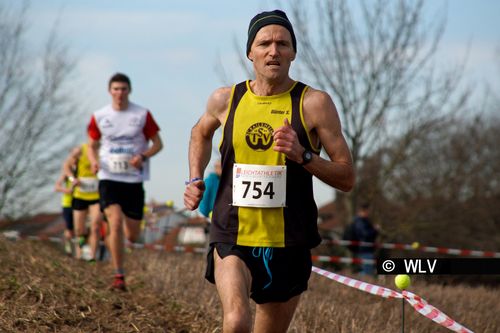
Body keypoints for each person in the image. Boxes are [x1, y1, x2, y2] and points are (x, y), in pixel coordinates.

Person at [184, 10, 354, 333]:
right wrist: (195, 178)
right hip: (232, 233)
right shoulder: (226, 99)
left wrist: (303, 154)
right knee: (235, 322)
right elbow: (199, 133)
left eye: (282, 43)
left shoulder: (314, 104)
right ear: (250, 52)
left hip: (289, 241)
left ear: (293, 52)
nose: (273, 51)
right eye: (264, 43)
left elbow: (347, 177)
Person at [87, 72, 163, 291]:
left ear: (129, 91)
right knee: (115, 221)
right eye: (116, 89)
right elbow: (92, 145)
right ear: (110, 91)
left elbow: (158, 144)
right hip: (109, 177)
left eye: (123, 89)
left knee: (132, 233)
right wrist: (93, 162)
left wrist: (143, 156)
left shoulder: (141, 115)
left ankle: (121, 242)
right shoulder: (100, 116)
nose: (120, 93)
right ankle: (119, 275)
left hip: (133, 180)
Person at [62, 143, 103, 262]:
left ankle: (93, 257)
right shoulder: (81, 149)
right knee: (79, 230)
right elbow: (66, 166)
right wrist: (72, 179)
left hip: (97, 196)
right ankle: (80, 254)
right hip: (80, 195)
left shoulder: (106, 149)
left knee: (95, 226)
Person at [54, 147, 79, 257]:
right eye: (74, 157)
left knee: (80, 230)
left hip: (81, 203)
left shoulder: (83, 171)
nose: (75, 159)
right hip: (68, 203)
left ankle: (79, 254)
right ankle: (68, 248)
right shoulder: (67, 173)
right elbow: (57, 187)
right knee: (70, 231)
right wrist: (67, 190)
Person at [352, 202, 379, 276]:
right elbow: (365, 234)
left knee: (368, 271)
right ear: (364, 210)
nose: (370, 212)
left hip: (367, 249)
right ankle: (354, 280)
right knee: (367, 272)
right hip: (364, 250)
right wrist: (375, 230)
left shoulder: (363, 220)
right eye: (369, 210)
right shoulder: (360, 221)